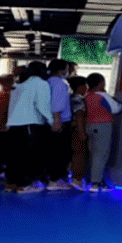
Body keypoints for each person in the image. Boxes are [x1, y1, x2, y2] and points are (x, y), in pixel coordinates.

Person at [4, 60, 52, 193]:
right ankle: (24, 185)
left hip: (13, 125)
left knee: (14, 156)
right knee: (29, 156)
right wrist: (52, 121)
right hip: (30, 125)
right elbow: (42, 105)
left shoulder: (18, 85)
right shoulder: (41, 83)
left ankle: (11, 183)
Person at [84, 73, 122, 192]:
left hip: (90, 126)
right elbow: (116, 108)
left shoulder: (88, 96)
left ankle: (90, 179)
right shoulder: (102, 96)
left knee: (93, 154)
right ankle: (96, 183)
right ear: (101, 83)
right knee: (101, 155)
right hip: (102, 126)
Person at [46, 59, 74, 190]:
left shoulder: (48, 81)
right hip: (60, 122)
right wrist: (57, 121)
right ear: (61, 70)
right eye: (67, 68)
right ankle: (55, 180)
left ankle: (50, 178)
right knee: (60, 152)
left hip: (50, 121)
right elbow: (56, 104)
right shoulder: (59, 83)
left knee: (52, 151)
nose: (68, 71)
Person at [67, 76, 88, 190]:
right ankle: (77, 179)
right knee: (79, 155)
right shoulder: (77, 99)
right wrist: (81, 132)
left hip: (69, 129)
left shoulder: (68, 97)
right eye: (85, 85)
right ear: (80, 87)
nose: (87, 88)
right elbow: (79, 115)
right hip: (76, 131)